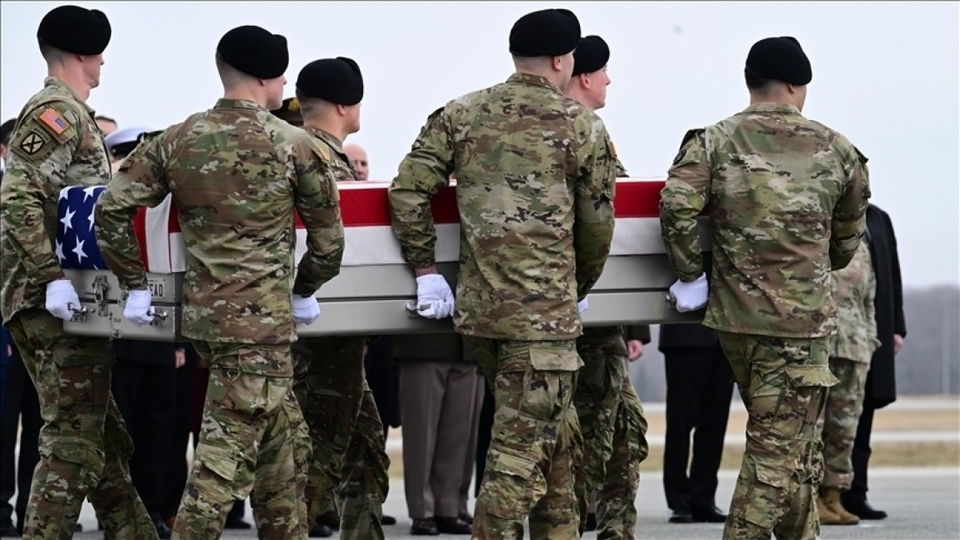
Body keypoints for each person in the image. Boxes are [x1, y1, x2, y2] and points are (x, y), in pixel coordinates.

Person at [94, 24, 345, 539]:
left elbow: (111, 208)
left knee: (284, 455)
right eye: (282, 77)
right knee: (220, 466)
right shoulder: (295, 143)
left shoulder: (177, 138)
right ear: (266, 78)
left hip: (209, 321)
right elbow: (329, 242)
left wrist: (135, 282)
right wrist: (303, 290)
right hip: (263, 327)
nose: (285, 86)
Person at [389, 8, 618, 538]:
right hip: (544, 322)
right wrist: (575, 286)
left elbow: (408, 190)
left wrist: (426, 269)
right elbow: (597, 225)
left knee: (556, 449)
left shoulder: (462, 113)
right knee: (519, 459)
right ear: (562, 60)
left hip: (483, 317)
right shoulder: (580, 124)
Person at [659, 36, 870, 540]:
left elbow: (675, 206)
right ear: (797, 86)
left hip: (735, 320)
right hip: (800, 326)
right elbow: (847, 238)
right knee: (778, 451)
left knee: (793, 444)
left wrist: (691, 274)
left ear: (751, 82)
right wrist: (813, 266)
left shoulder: (714, 140)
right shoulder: (836, 148)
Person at [0, 6, 157, 538]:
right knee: (73, 438)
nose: (103, 62)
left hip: (66, 298)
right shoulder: (57, 113)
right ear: (83, 54)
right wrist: (50, 278)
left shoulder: (70, 112)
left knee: (101, 438)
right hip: (52, 300)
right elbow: (18, 196)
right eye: (99, 53)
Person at [287, 57, 390, 540]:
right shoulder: (322, 161)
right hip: (325, 333)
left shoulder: (296, 151)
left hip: (329, 331)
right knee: (321, 456)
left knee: (365, 446)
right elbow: (334, 250)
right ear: (346, 106)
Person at [562, 34, 650, 539]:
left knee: (621, 431)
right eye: (603, 72)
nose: (609, 80)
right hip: (580, 317)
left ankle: (616, 529)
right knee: (589, 439)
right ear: (584, 77)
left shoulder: (591, 132)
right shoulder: (579, 132)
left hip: (597, 316)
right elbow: (602, 223)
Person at [841, 203, 906, 520]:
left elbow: (892, 275)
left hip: (871, 329)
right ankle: (827, 494)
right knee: (833, 420)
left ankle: (856, 493)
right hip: (838, 333)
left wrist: (897, 328)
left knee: (863, 412)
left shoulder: (878, 219)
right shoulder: (826, 210)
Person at [394, 333, 483, 535]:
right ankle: (422, 510)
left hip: (470, 345)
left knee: (460, 436)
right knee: (421, 436)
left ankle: (449, 508)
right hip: (423, 343)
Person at [816, 239, 878, 525]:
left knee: (844, 429)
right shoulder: (812, 238)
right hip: (818, 345)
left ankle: (833, 495)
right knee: (813, 427)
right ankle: (809, 497)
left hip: (854, 348)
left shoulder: (860, 247)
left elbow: (868, 301)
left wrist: (869, 342)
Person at [658, 321, 733, 524]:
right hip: (685, 334)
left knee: (715, 423)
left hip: (726, 337)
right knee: (680, 423)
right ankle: (678, 499)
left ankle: (703, 498)